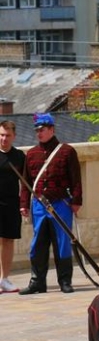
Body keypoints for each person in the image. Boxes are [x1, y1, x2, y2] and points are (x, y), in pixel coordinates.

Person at [19, 113, 82, 294]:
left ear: (52, 129)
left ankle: (65, 281)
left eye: (43, 129)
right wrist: (24, 204)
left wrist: (76, 201)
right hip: (39, 205)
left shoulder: (67, 151)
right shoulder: (31, 154)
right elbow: (26, 183)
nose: (39, 133)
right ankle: (37, 281)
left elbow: (76, 179)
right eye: (37, 130)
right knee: (38, 243)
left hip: (61, 204)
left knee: (62, 243)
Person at [0, 119, 25, 293]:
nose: (4, 139)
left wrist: (24, 204)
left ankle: (5, 279)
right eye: (1, 135)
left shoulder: (19, 157)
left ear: (14, 136)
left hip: (11, 203)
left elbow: (25, 183)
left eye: (7, 135)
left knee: (8, 240)